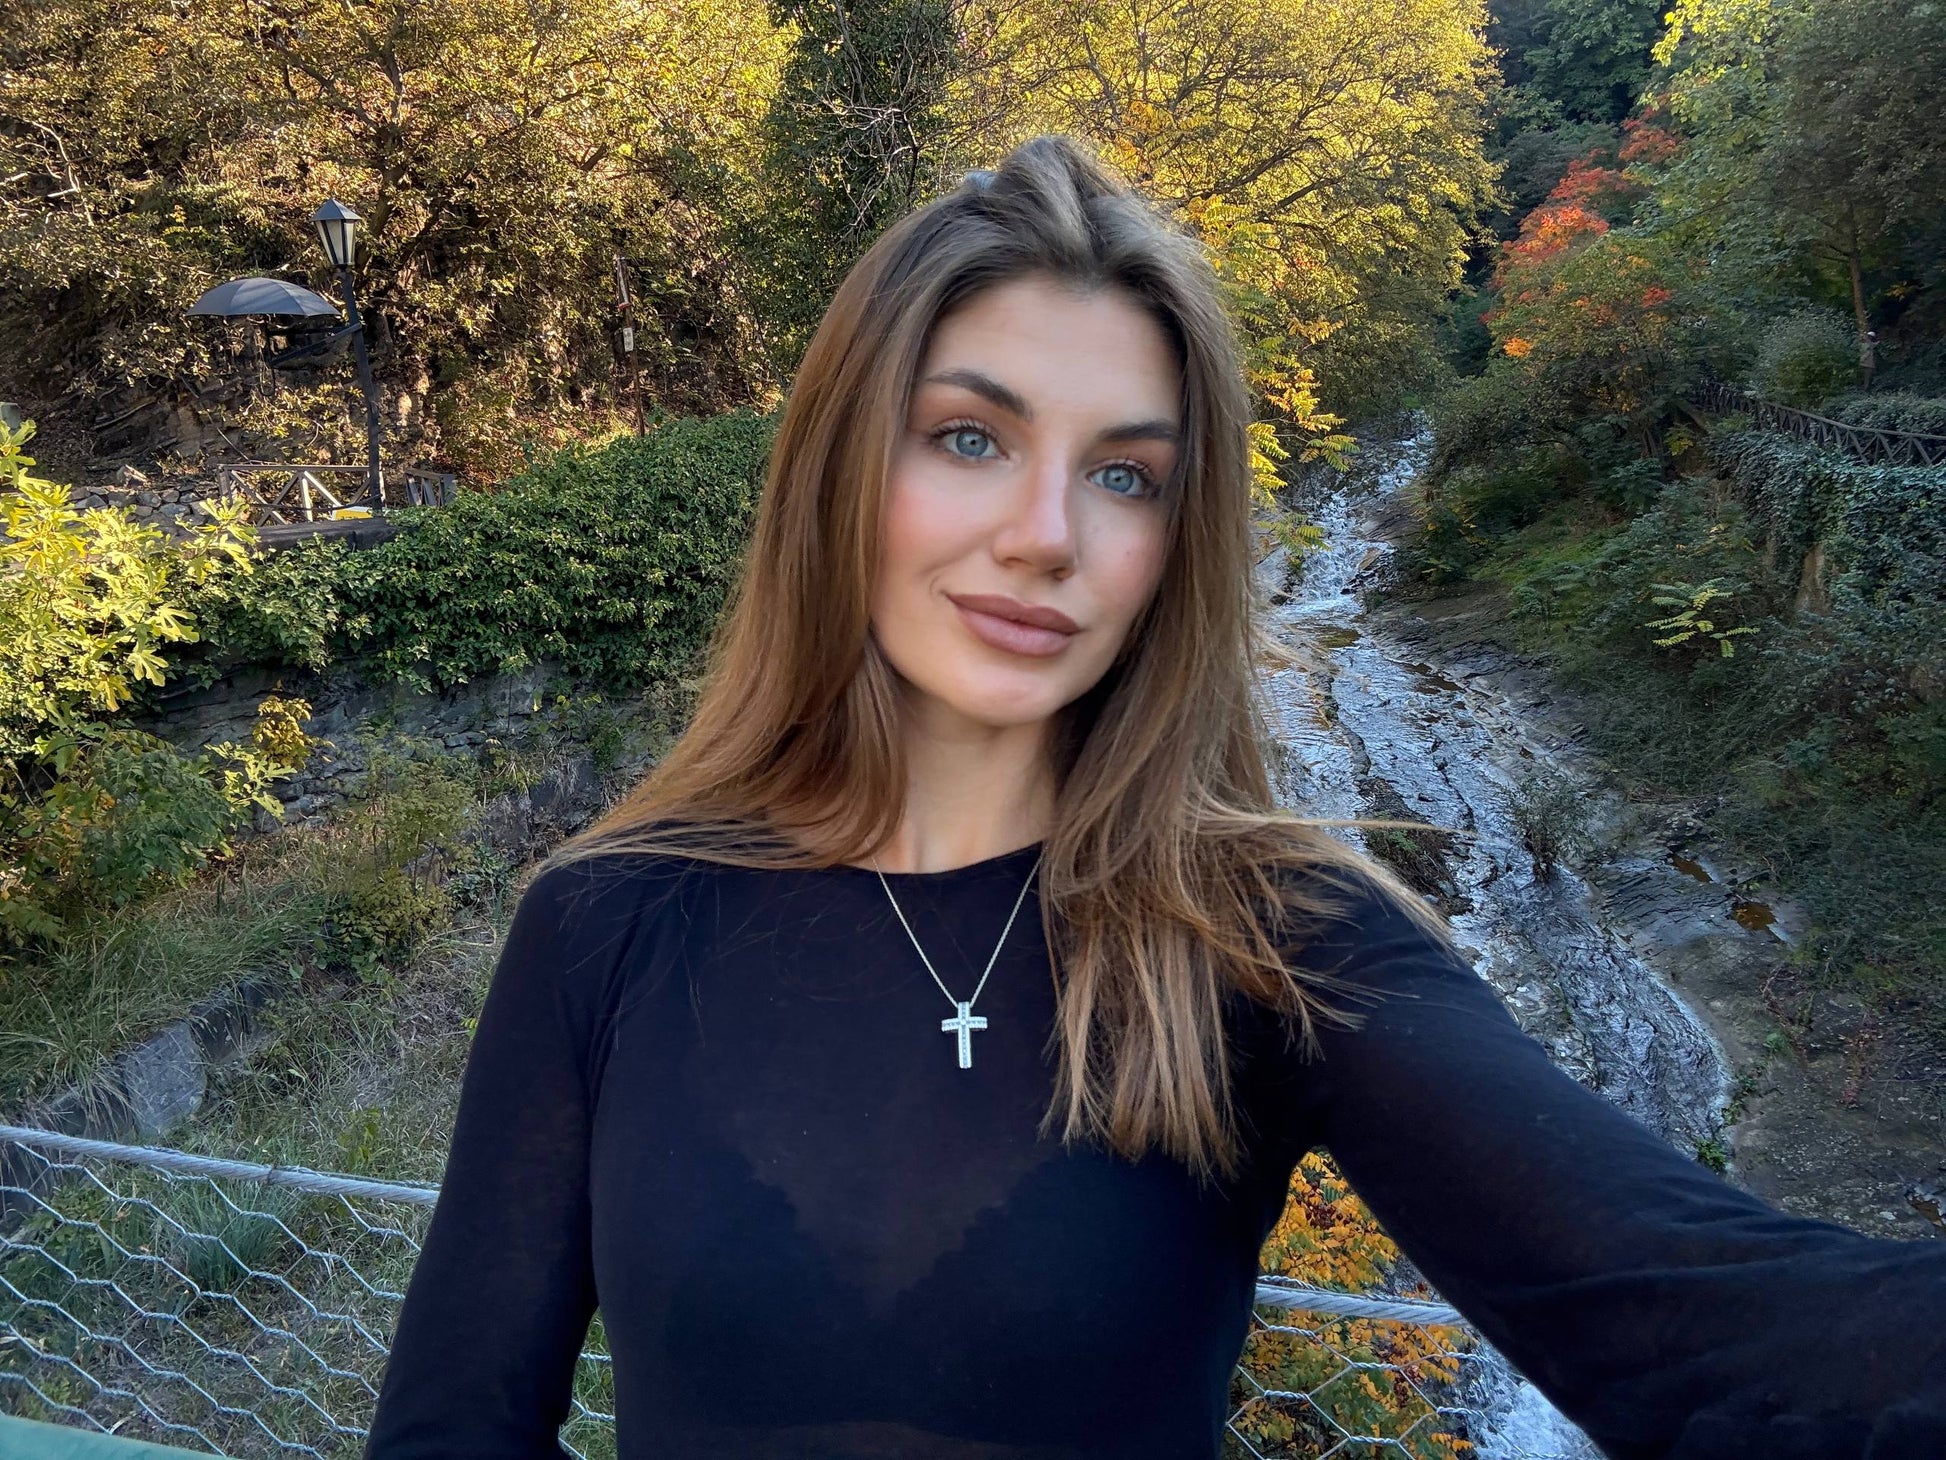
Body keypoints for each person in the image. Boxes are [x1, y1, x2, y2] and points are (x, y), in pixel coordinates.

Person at [363, 135, 1946, 1460]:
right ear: (837, 469)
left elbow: (1711, 1327)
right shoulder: (608, 921)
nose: (1046, 535)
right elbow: (451, 1426)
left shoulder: (1265, 938)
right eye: (968, 438)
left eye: (1124, 474)